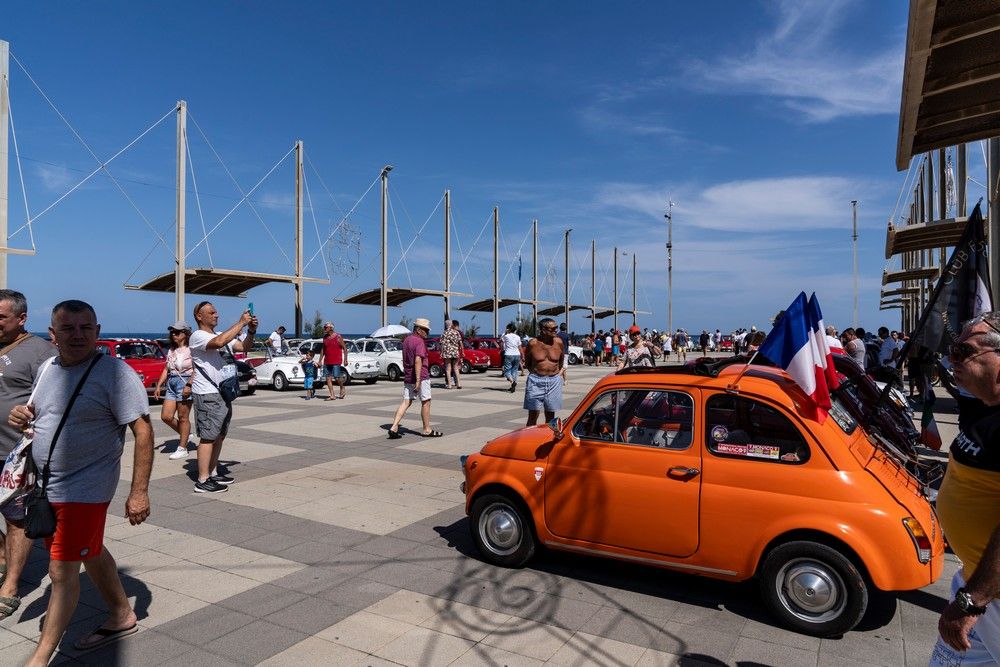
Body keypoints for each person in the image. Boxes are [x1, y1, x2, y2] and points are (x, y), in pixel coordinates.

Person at [8, 299, 153, 663]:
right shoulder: (46, 369)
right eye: (68, 328)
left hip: (86, 490)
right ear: (52, 334)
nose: (78, 335)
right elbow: (40, 415)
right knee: (90, 550)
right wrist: (22, 415)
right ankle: (121, 614)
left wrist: (139, 492)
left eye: (86, 328)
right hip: (46, 485)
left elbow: (143, 430)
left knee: (60, 570)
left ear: (98, 332)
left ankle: (40, 657)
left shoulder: (116, 374)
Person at [929, 311, 1000, 664]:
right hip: (974, 582)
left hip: (988, 597)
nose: (950, 359)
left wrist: (974, 600)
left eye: (962, 352)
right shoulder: (986, 407)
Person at [0, 289, 55, 622]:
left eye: (1, 318)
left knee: (15, 517)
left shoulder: (41, 353)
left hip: (15, 454)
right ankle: (3, 556)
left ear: (21, 319)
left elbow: (52, 403)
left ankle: (11, 586)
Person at [189, 301, 257, 494]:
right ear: (199, 317)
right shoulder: (197, 336)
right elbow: (218, 344)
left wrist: (251, 331)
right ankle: (202, 480)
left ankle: (213, 471)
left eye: (216, 311)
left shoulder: (220, 335)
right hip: (207, 393)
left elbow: (244, 346)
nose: (216, 315)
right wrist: (241, 323)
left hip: (223, 393)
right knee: (208, 437)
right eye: (211, 312)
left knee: (219, 434)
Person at [387, 318, 441, 438]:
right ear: (418, 329)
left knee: (406, 401)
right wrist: (418, 381)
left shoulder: (406, 340)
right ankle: (427, 429)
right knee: (426, 401)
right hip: (421, 376)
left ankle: (394, 426)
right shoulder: (419, 342)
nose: (428, 333)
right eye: (426, 330)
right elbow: (418, 361)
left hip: (408, 376)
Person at [152, 321, 195, 461]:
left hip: (185, 382)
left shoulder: (192, 349)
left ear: (186, 334)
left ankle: (182, 448)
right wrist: (159, 386)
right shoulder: (172, 349)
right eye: (172, 332)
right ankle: (186, 434)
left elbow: (198, 369)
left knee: (183, 417)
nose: (174, 335)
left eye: (177, 332)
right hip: (172, 383)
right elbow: (166, 368)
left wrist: (189, 385)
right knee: (166, 416)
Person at [524, 318, 565, 427]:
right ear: (543, 330)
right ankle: (530, 439)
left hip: (553, 381)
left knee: (550, 415)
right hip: (536, 381)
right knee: (533, 414)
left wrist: (553, 373)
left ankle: (547, 438)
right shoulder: (533, 343)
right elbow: (527, 363)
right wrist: (538, 373)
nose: (556, 330)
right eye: (553, 328)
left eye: (556, 328)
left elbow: (560, 362)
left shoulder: (559, 342)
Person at [318, 322, 348, 400]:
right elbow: (323, 349)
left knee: (337, 377)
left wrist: (345, 359)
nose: (324, 329)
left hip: (336, 360)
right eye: (324, 327)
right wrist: (320, 360)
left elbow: (344, 348)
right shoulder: (325, 337)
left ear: (331, 328)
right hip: (327, 361)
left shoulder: (338, 337)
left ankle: (342, 387)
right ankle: (332, 395)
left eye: (325, 327)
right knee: (328, 378)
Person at [501, 323, 523, 393]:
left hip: (509, 354)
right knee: (514, 371)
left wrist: (506, 331)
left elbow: (501, 341)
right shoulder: (518, 337)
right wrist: (523, 356)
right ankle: (512, 386)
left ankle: (513, 382)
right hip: (517, 354)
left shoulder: (506, 336)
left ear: (508, 329)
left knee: (506, 371)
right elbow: (520, 347)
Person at [441, 319, 463, 389]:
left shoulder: (444, 333)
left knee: (448, 369)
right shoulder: (457, 332)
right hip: (455, 352)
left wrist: (441, 352)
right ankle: (459, 384)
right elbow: (460, 343)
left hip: (447, 353)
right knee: (456, 368)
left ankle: (449, 385)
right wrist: (462, 351)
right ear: (452, 324)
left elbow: (442, 344)